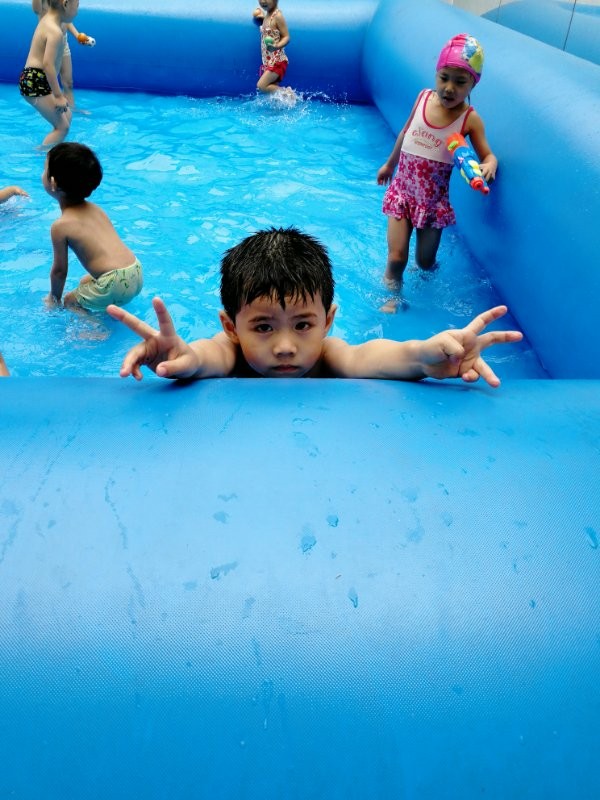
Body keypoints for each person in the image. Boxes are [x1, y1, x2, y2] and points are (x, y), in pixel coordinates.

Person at [107, 226, 521, 387]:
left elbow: (369, 358)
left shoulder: (327, 355)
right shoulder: (231, 351)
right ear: (231, 327)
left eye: (303, 325)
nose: (286, 346)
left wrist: (426, 356)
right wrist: (184, 357)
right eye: (263, 327)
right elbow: (206, 357)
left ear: (328, 321)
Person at [376, 33, 498, 311]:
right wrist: (390, 164)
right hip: (402, 194)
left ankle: (425, 285)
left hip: (432, 204)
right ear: (436, 74)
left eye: (460, 82)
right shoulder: (422, 98)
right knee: (396, 258)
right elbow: (406, 132)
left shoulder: (470, 119)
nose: (449, 88)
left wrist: (489, 164)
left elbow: (487, 155)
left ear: (473, 83)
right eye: (444, 78)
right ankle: (392, 298)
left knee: (425, 263)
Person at [43, 142, 143, 312]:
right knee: (85, 282)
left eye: (44, 169)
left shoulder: (60, 226)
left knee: (70, 301)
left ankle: (97, 327)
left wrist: (54, 298)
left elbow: (59, 271)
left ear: (53, 182)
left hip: (115, 282)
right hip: (135, 271)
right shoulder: (96, 209)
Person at [20, 0, 80, 147]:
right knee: (63, 127)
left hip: (35, 79)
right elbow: (48, 65)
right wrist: (58, 96)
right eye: (77, 5)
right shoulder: (55, 32)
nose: (77, 10)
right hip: (35, 80)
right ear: (65, 4)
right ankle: (41, 154)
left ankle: (55, 147)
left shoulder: (46, 20)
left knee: (67, 114)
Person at [31, 0, 95, 113]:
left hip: (63, 43)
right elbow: (36, 10)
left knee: (68, 82)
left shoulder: (63, 4)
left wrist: (77, 35)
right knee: (48, 79)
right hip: (49, 44)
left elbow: (65, 19)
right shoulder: (43, 3)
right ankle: (48, 110)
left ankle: (71, 111)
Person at [252, 0, 293, 96]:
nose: (263, 1)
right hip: (268, 61)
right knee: (272, 90)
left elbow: (286, 37)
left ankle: (289, 94)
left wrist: (276, 46)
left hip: (277, 61)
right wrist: (261, 17)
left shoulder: (277, 16)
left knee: (261, 85)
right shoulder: (268, 15)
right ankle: (281, 104)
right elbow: (269, 27)